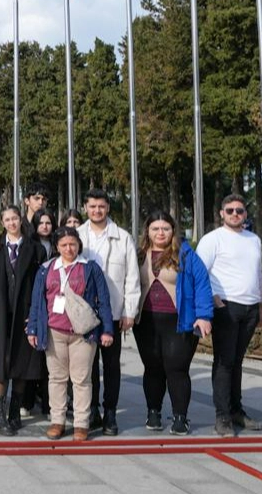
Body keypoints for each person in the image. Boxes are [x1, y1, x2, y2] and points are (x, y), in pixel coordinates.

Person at [26, 227, 116, 441]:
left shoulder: (90, 268)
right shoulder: (46, 269)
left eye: (73, 244)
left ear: (79, 245)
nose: (69, 248)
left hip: (83, 333)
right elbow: (37, 301)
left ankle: (81, 423)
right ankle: (57, 421)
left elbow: (103, 301)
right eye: (64, 245)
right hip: (54, 331)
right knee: (56, 378)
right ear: (57, 246)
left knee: (81, 380)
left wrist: (107, 330)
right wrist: (33, 328)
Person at [131, 210, 212, 435]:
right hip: (145, 321)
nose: (160, 233)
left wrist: (204, 316)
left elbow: (202, 283)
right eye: (155, 229)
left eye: (165, 228)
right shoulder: (138, 255)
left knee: (177, 369)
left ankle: (180, 417)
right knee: (153, 368)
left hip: (179, 321)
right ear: (147, 231)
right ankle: (153, 412)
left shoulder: (185, 254)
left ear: (173, 231)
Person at [196, 194, 262, 438]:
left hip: (250, 307)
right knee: (224, 362)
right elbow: (199, 272)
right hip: (225, 307)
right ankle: (222, 416)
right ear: (221, 214)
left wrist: (260, 303)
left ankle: (236, 410)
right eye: (230, 210)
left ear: (245, 213)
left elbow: (257, 273)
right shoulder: (212, 239)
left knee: (237, 361)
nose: (235, 214)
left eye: (240, 210)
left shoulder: (254, 240)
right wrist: (212, 298)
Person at [78, 189, 140, 436]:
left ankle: (110, 413)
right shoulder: (78, 236)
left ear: (108, 208)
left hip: (112, 313)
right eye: (92, 206)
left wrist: (129, 311)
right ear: (85, 208)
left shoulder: (122, 238)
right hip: (84, 314)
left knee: (112, 365)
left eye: (101, 206)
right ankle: (91, 411)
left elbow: (132, 278)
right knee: (87, 366)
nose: (97, 210)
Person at [0, 206, 47, 435]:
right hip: (0, 314)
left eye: (15, 219)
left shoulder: (35, 249)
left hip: (25, 313)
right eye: (7, 219)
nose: (11, 223)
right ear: (3, 222)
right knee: (1, 361)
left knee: (22, 361)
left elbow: (41, 285)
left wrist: (37, 314)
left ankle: (14, 411)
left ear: (21, 220)